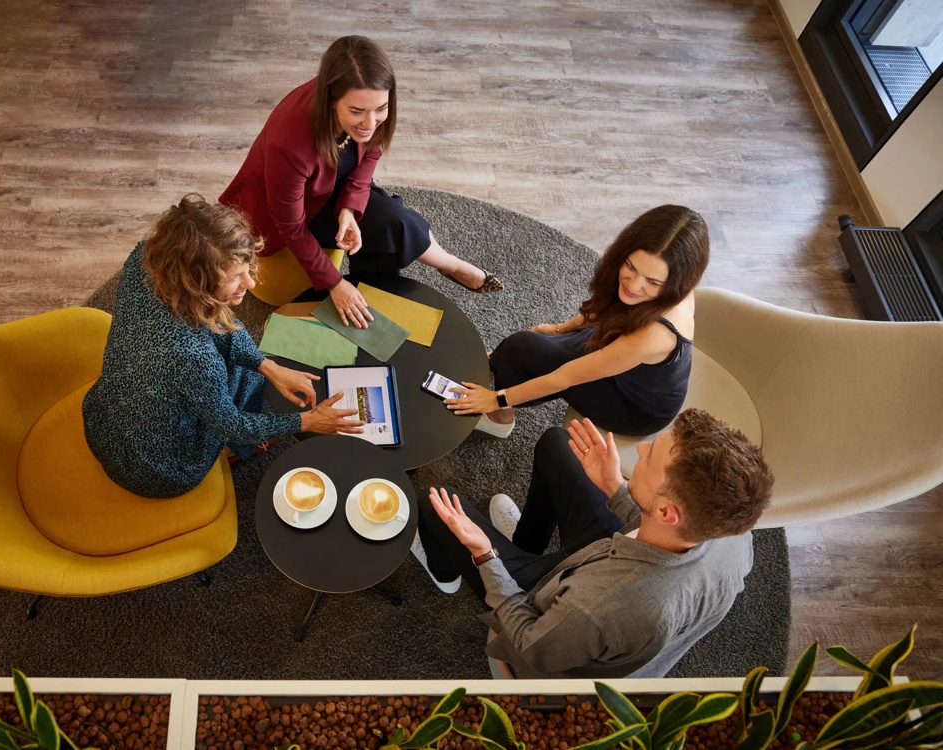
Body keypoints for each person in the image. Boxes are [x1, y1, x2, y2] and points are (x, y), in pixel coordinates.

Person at [411, 410, 774, 679]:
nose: (643, 449)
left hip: (545, 627)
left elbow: (531, 645)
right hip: (611, 562)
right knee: (556, 444)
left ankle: (445, 570)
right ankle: (525, 546)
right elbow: (667, 535)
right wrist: (615, 486)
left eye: (650, 459)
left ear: (667, 510)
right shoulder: (734, 531)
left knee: (433, 504)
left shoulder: (599, 608)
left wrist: (483, 554)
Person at [83, 194, 362, 499]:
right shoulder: (194, 358)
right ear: (195, 285)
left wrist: (268, 365)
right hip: (157, 467)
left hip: (106, 416)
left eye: (246, 268)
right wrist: (307, 421)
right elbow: (233, 425)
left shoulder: (145, 258)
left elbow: (215, 323)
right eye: (233, 277)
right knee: (249, 382)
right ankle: (236, 452)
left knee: (253, 368)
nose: (250, 284)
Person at [220, 35, 502, 329]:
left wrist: (348, 210)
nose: (370, 123)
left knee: (396, 221)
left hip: (331, 186)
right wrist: (335, 284)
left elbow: (369, 157)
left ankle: (450, 265)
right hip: (287, 212)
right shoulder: (289, 145)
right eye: (357, 112)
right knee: (382, 235)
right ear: (331, 100)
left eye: (381, 109)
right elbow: (289, 225)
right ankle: (369, 298)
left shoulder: (367, 109)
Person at [447, 205, 708, 438]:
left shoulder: (654, 334)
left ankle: (499, 418)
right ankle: (495, 365)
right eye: (630, 267)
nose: (633, 285)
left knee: (521, 350)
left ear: (675, 282)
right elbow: (609, 308)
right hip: (626, 355)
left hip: (632, 406)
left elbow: (564, 378)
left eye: (652, 282)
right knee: (525, 348)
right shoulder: (663, 285)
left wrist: (495, 399)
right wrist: (561, 329)